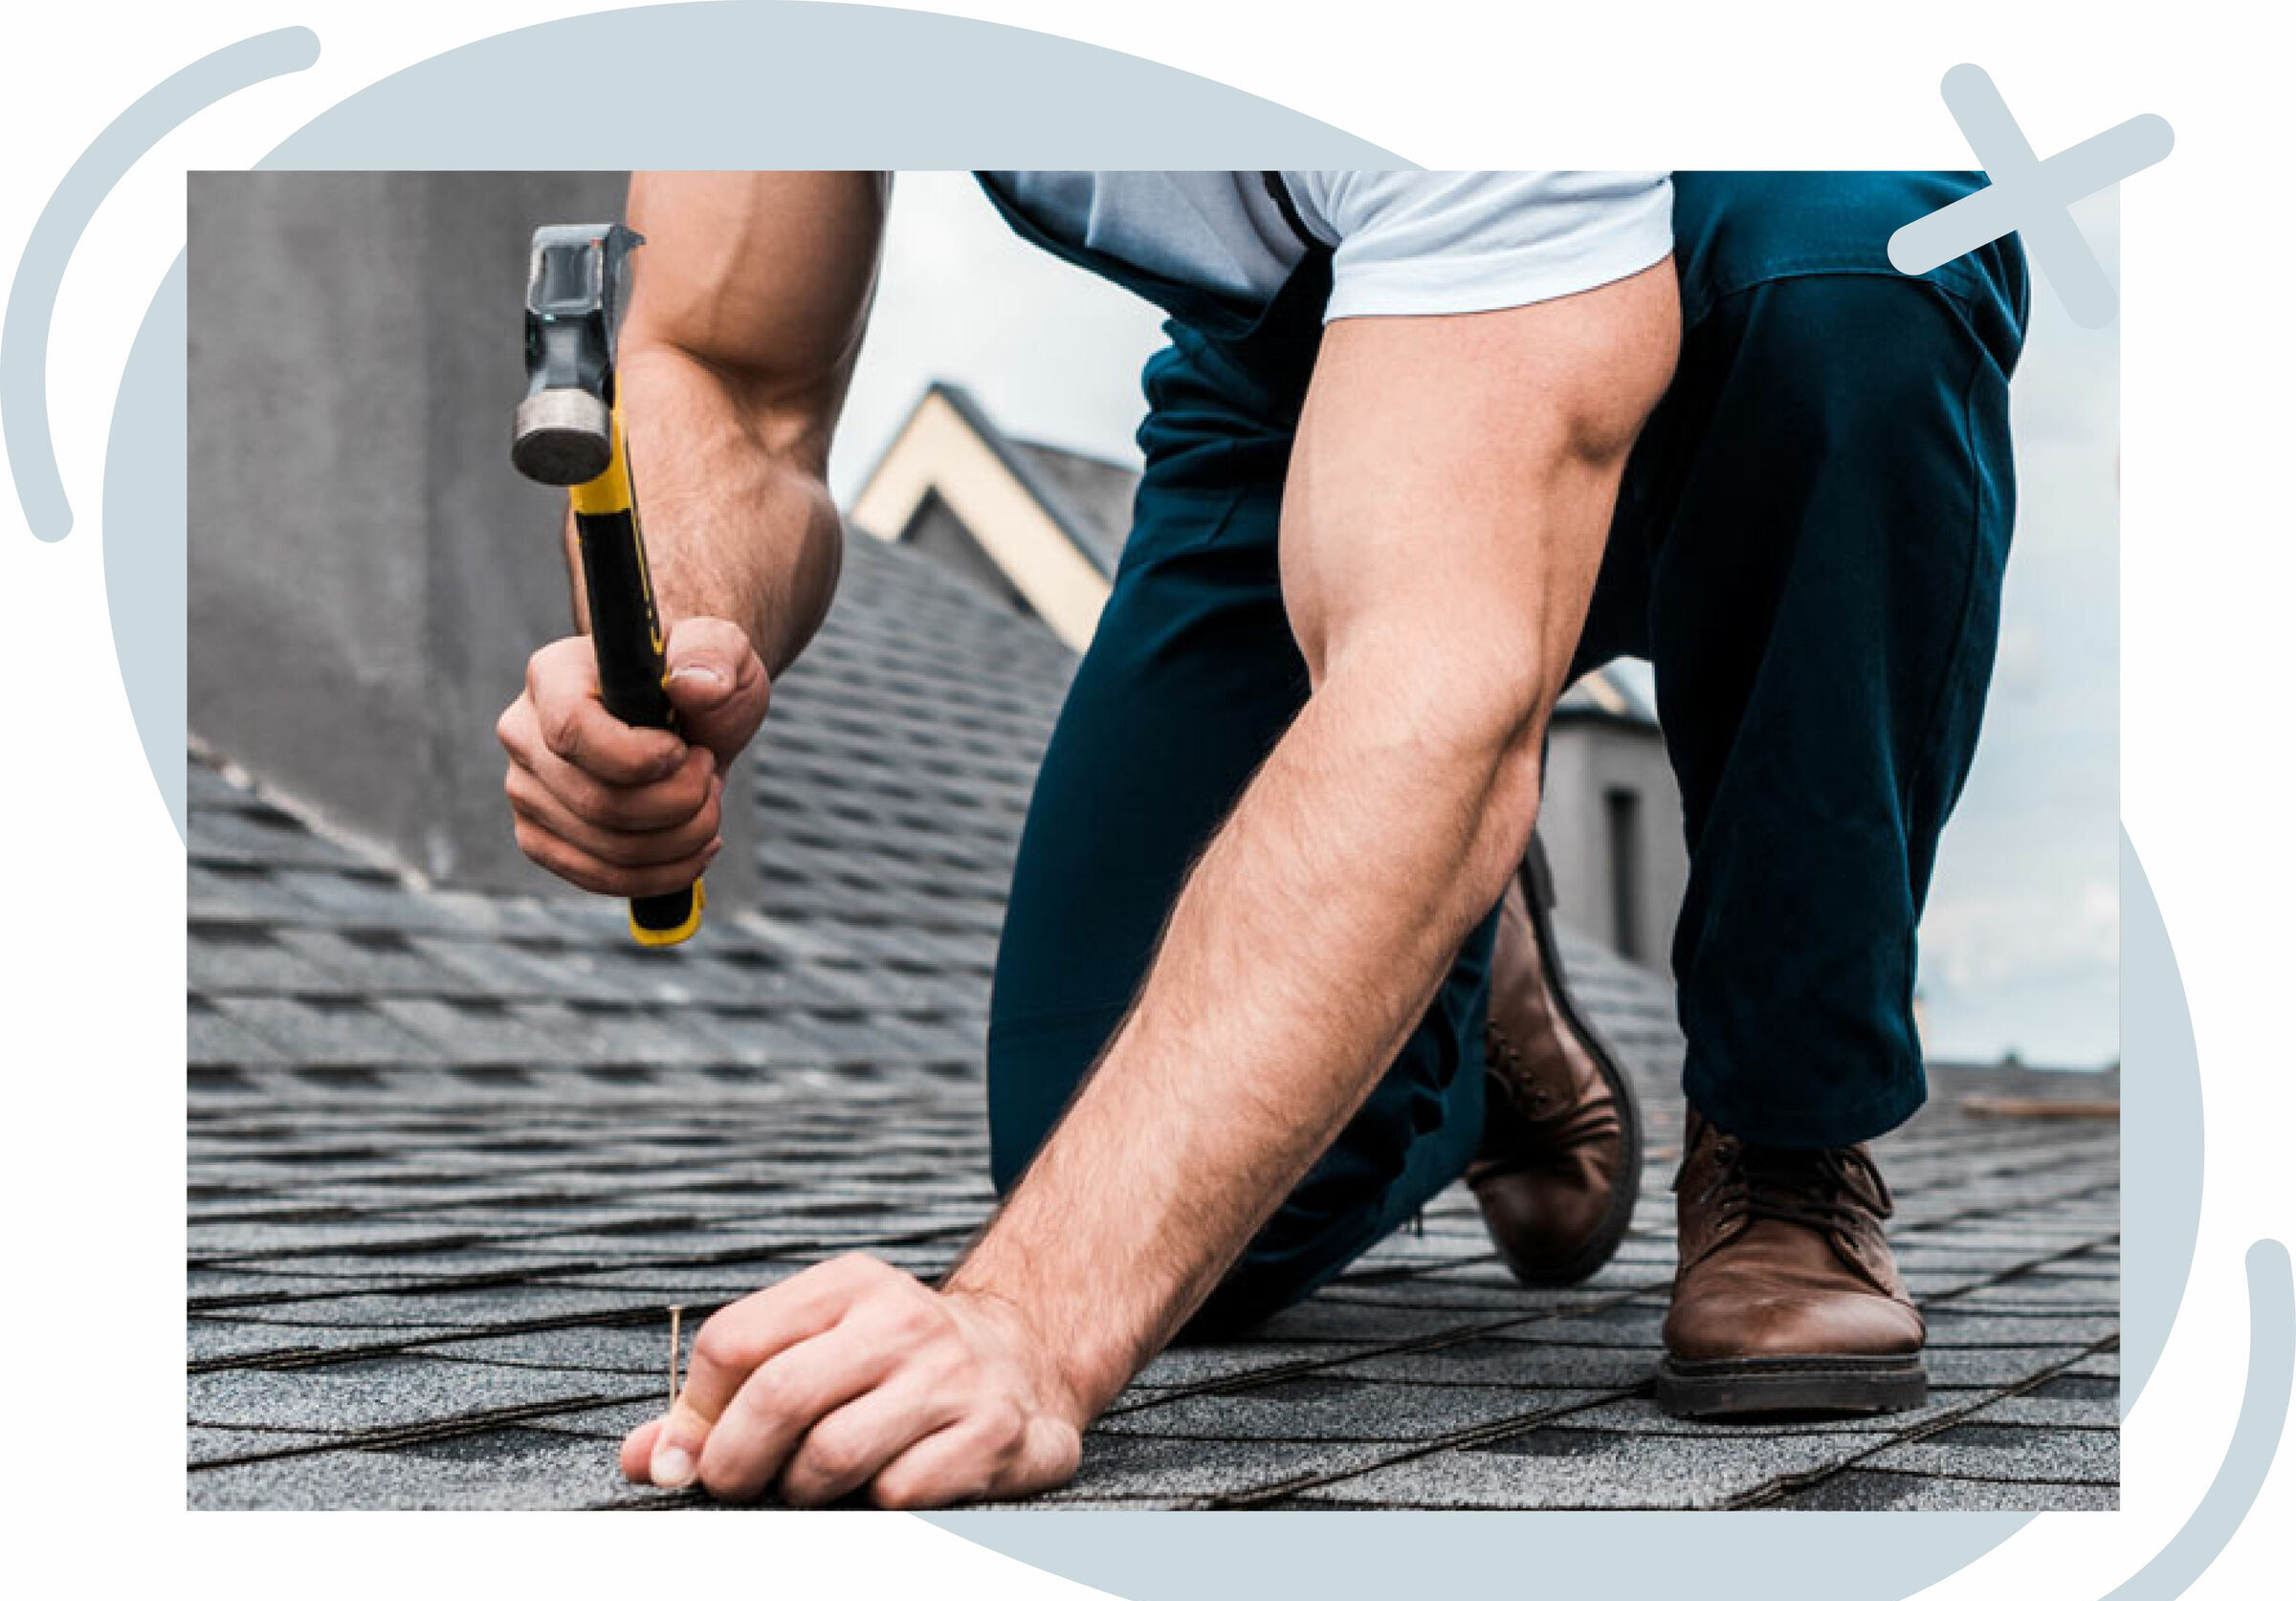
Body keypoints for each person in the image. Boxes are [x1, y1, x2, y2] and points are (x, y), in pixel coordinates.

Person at [495, 170, 2027, 1506]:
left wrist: (1024, 1322)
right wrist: (678, 648)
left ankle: (1786, 1132)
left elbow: (1439, 682)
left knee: (1850, 278)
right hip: (1311, 347)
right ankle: (1471, 974)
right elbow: (724, 365)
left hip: (1751, 233)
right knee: (1133, 1167)